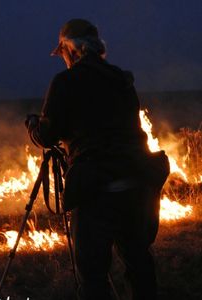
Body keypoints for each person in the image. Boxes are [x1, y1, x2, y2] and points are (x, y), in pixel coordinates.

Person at [26, 19, 169, 300]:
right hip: (137, 181)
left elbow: (47, 134)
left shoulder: (66, 82)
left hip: (96, 189)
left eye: (63, 52)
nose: (63, 58)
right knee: (139, 261)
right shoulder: (121, 79)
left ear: (71, 49)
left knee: (93, 274)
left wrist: (33, 125)